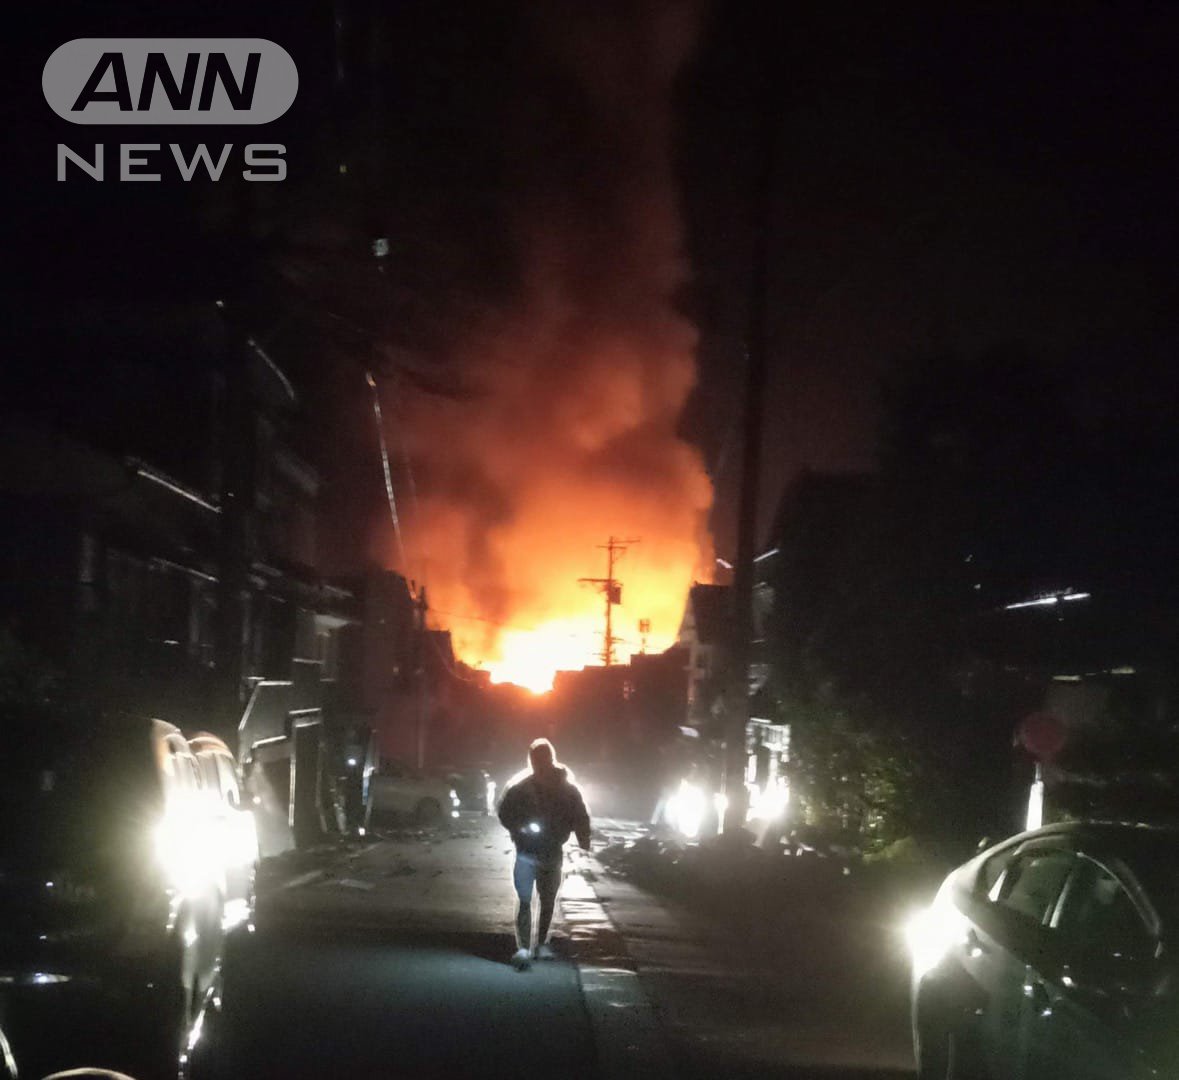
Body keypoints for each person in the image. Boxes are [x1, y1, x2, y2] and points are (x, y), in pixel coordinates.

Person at [497, 737, 591, 970]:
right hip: (530, 850)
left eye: (541, 758)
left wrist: (583, 840)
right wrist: (519, 830)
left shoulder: (563, 789)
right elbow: (505, 813)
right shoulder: (523, 789)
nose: (539, 763)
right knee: (529, 900)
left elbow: (580, 816)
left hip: (545, 850)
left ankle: (535, 944)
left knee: (543, 900)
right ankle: (528, 946)